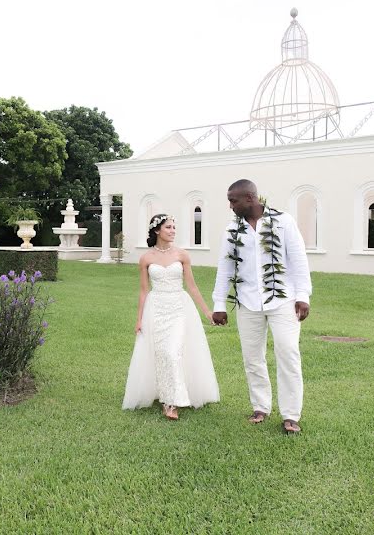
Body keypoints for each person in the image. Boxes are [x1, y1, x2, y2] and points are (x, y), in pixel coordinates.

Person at [212, 179, 312, 434]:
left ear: (250, 198)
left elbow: (298, 259)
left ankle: (291, 415)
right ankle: (261, 406)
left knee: (288, 353)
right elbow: (225, 268)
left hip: (283, 300)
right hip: (247, 302)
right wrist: (219, 303)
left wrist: (303, 295)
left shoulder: (283, 221)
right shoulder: (231, 230)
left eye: (233, 200)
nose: (230, 206)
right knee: (252, 357)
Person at [122, 214, 220, 419]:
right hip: (156, 308)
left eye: (174, 227)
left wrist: (207, 312)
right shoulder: (146, 258)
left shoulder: (182, 255)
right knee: (161, 353)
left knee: (172, 352)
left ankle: (171, 403)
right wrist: (139, 319)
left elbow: (192, 287)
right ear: (157, 230)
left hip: (178, 308)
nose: (173, 230)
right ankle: (167, 397)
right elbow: (143, 291)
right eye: (169, 227)